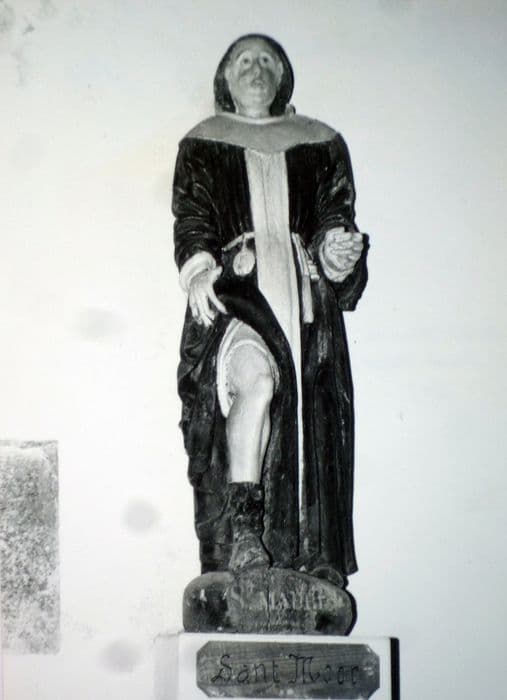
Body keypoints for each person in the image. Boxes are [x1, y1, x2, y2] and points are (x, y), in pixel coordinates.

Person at [173, 34, 368, 584]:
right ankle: (243, 532)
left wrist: (336, 251)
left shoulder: (320, 141)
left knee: (312, 424)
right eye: (244, 60)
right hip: (240, 293)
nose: (255, 69)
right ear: (225, 77)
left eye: (267, 60)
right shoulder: (204, 142)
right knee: (255, 381)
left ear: (282, 76)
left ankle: (308, 556)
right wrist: (199, 267)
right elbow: (192, 218)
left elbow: (334, 218)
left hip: (306, 304)